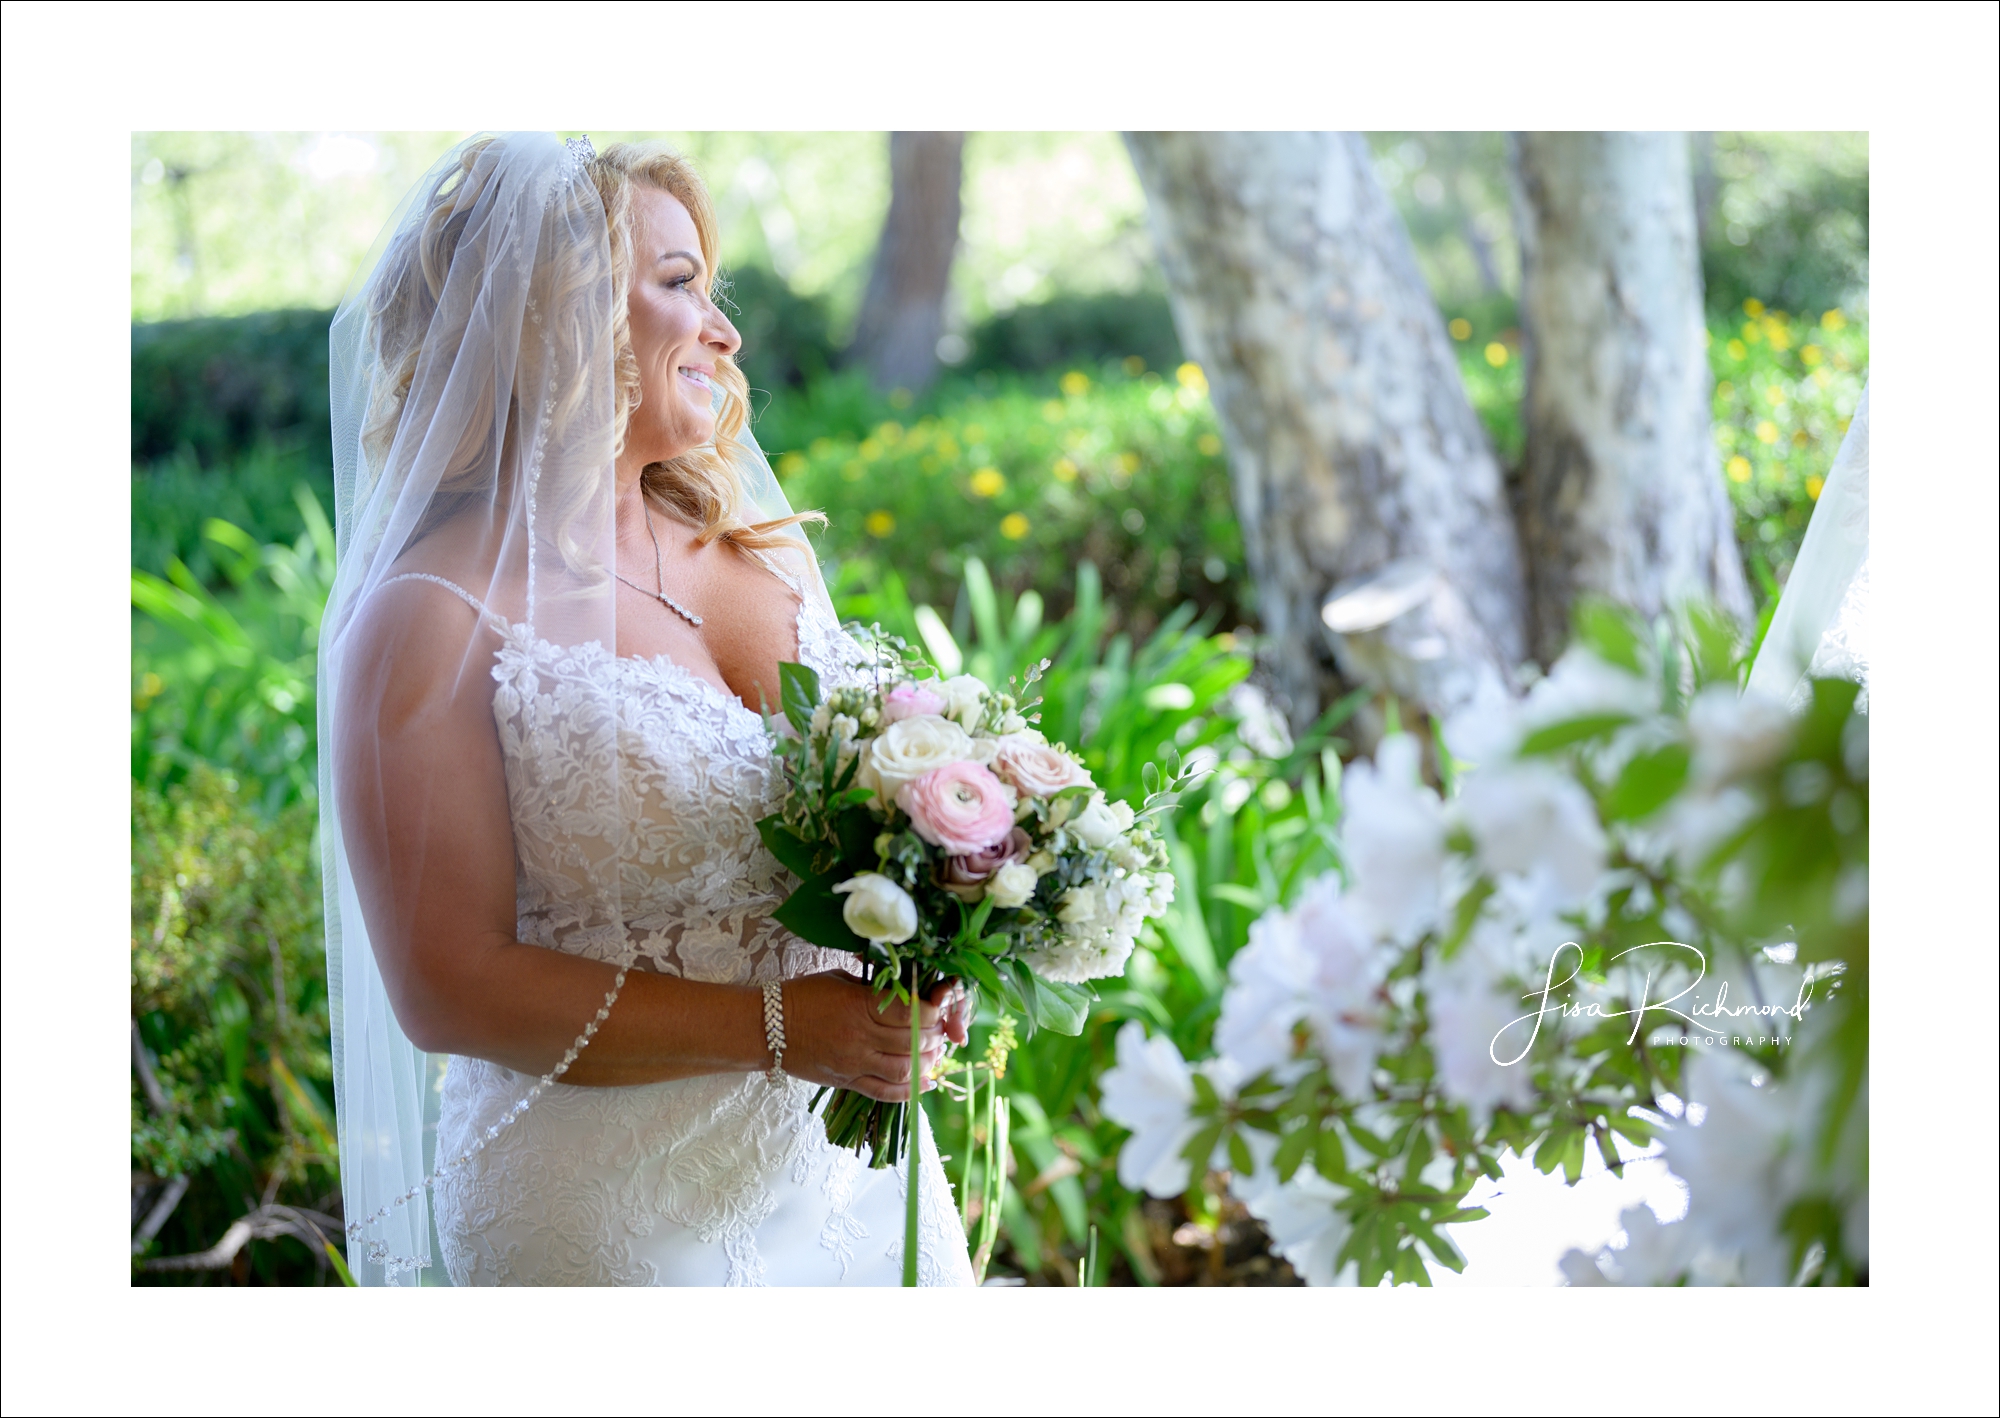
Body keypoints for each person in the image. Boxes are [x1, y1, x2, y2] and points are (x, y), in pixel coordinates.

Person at [322, 132, 975, 1286]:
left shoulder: (747, 547)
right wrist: (781, 1026)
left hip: (847, 1182)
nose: (723, 333)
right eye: (678, 285)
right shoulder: (430, 612)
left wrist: (942, 928)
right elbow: (444, 984)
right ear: (550, 312)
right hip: (607, 1218)